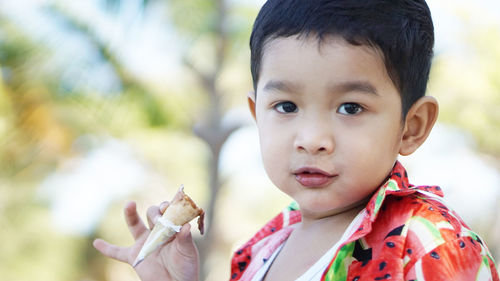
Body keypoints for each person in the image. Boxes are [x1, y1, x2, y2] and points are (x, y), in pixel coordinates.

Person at [93, 0, 500, 280]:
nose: (311, 139)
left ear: (411, 126)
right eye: (286, 107)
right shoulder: (257, 253)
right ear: (257, 116)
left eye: (350, 108)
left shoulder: (427, 242)